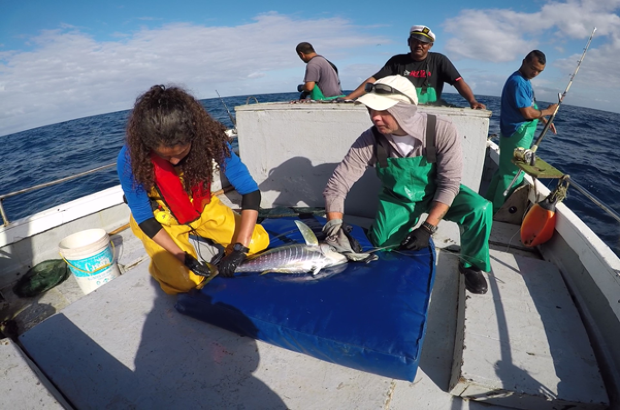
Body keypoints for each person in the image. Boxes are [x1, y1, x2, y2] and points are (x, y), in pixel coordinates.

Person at [323, 75, 492, 294]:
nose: (375, 117)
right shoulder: (369, 140)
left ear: (404, 109)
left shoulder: (441, 130)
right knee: (382, 242)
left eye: (383, 111)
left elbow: (449, 184)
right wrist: (335, 226)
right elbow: (337, 184)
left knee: (479, 209)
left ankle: (471, 264)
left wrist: (427, 228)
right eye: (371, 110)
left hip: (437, 191)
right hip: (398, 197)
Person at [117, 85, 269, 294]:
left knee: (258, 241)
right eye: (165, 156)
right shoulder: (129, 158)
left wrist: (240, 248)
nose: (174, 160)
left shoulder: (210, 139)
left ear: (193, 136)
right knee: (184, 282)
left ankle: (222, 249)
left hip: (202, 208)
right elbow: (143, 216)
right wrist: (183, 258)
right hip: (161, 219)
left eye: (180, 152)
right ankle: (170, 264)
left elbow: (249, 190)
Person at [485, 50, 558, 213]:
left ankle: (487, 203)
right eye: (533, 68)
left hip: (513, 133)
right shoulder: (518, 82)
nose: (535, 73)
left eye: (539, 71)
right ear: (524, 61)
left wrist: (543, 119)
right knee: (512, 175)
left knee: (503, 171)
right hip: (517, 135)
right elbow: (527, 113)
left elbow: (531, 107)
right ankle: (497, 210)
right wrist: (548, 111)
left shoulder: (524, 80)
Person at [343, 25, 486, 109]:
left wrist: (472, 101)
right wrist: (349, 98)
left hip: (432, 110)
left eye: (424, 43)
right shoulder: (397, 61)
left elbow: (458, 82)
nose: (419, 45)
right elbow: (373, 80)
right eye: (415, 41)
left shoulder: (439, 60)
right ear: (408, 42)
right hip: (402, 109)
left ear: (430, 46)